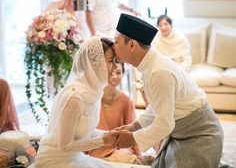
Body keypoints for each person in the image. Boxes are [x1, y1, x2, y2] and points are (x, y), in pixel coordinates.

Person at [111, 13, 224, 168]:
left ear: (132, 45)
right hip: (180, 133)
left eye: (116, 42)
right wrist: (134, 126)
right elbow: (157, 107)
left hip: (200, 136)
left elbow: (165, 125)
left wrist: (132, 138)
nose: (113, 46)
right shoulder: (147, 66)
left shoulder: (158, 72)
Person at [35, 37, 118, 168]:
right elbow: (65, 146)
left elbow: (84, 131)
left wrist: (109, 134)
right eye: (110, 61)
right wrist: (103, 141)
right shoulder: (74, 98)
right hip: (54, 160)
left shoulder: (93, 91)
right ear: (95, 64)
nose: (115, 67)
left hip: (74, 157)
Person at [87, 62, 144, 164]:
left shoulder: (125, 101)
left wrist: (139, 155)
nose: (114, 77)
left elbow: (132, 131)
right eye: (110, 73)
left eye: (118, 73)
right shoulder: (91, 98)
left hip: (119, 149)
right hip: (95, 149)